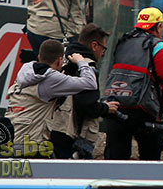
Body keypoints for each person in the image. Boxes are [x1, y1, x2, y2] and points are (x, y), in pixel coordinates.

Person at [103, 7, 163, 160]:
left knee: (116, 156)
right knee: (149, 155)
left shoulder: (123, 41)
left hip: (116, 102)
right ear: (158, 26)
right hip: (142, 107)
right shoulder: (158, 44)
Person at [6, 39, 98, 150]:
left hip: (11, 139)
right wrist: (81, 61)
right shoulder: (51, 80)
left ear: (39, 57)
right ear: (60, 60)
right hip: (31, 145)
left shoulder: (26, 71)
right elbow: (90, 83)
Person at [47, 24, 119, 159]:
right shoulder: (87, 66)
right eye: (104, 48)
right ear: (94, 46)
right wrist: (105, 108)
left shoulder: (62, 60)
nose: (103, 53)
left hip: (52, 126)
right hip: (70, 133)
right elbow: (87, 104)